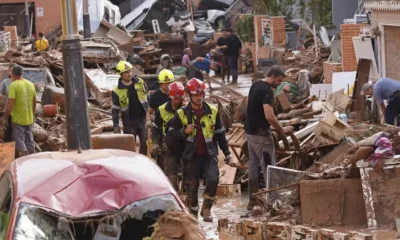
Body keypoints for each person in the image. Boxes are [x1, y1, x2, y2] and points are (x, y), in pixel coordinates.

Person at [167, 78, 232, 222]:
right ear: (189, 95)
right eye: (195, 95)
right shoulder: (181, 114)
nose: (199, 97)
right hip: (191, 157)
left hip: (209, 154)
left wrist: (227, 152)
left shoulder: (213, 111)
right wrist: (184, 131)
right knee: (191, 188)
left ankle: (207, 208)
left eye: (201, 94)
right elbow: (170, 135)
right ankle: (194, 217)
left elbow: (220, 134)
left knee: (213, 179)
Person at [244, 66, 293, 214]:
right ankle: (274, 203)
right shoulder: (267, 91)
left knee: (253, 166)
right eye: (278, 80)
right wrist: (281, 129)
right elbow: (269, 116)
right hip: (261, 135)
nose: (279, 84)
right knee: (268, 167)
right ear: (272, 76)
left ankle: (253, 200)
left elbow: (251, 107)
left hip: (250, 132)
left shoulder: (256, 84)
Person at [151, 82, 186, 190]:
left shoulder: (187, 110)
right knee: (171, 178)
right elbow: (156, 129)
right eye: (174, 98)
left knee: (186, 179)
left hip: (185, 148)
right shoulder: (161, 110)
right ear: (169, 97)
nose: (176, 101)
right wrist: (156, 144)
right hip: (169, 149)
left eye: (179, 98)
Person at [112, 61, 149, 155]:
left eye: (130, 71)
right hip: (129, 123)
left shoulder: (140, 83)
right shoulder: (117, 91)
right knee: (129, 147)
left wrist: (151, 116)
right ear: (121, 74)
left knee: (145, 144)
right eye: (126, 72)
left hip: (142, 119)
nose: (129, 74)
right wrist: (116, 126)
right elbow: (115, 110)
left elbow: (148, 98)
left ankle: (143, 163)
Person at [2, 65, 37, 157]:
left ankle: (24, 160)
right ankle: (33, 158)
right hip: (29, 118)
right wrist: (32, 114)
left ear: (12, 73)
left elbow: (10, 104)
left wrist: (5, 117)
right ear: (22, 73)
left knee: (19, 140)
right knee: (29, 139)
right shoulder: (30, 84)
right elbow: (34, 102)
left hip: (18, 119)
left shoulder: (13, 85)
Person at [146, 69, 175, 167]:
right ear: (160, 84)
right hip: (159, 128)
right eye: (165, 83)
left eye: (170, 83)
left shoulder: (176, 95)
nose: (167, 85)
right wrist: (148, 121)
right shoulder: (155, 97)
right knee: (159, 153)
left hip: (174, 127)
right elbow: (149, 112)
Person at [0, 64, 15, 142]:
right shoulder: (5, 82)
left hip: (19, 111)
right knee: (8, 131)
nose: (12, 73)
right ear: (9, 72)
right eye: (11, 70)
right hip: (9, 109)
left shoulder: (22, 82)